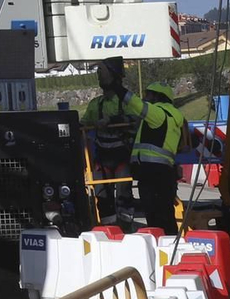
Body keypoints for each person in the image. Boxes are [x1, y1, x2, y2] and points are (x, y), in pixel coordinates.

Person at [80, 56, 189, 234]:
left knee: (147, 207)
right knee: (108, 197)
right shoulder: (96, 105)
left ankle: (128, 229)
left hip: (148, 169)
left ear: (157, 97)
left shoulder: (158, 115)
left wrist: (114, 115)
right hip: (142, 168)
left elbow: (136, 108)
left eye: (148, 95)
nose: (145, 98)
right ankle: (112, 230)